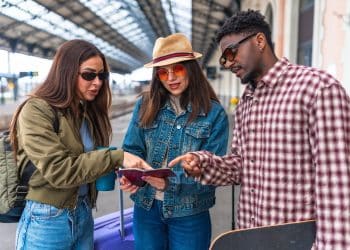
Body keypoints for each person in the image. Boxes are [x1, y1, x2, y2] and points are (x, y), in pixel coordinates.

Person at [169, 9, 350, 249]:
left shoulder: (317, 89)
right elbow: (240, 166)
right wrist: (203, 163)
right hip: (251, 236)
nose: (229, 63)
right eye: (223, 59)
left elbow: (336, 186)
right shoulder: (247, 102)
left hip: (297, 240)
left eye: (231, 52)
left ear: (260, 41)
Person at [12, 39, 151, 250]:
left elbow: (88, 159)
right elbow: (59, 170)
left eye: (102, 75)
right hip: (48, 219)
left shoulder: (84, 111)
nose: (98, 82)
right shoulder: (36, 110)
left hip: (83, 213)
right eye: (88, 75)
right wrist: (116, 157)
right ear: (66, 72)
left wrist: (122, 172)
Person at [119, 33, 229, 250]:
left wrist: (171, 182)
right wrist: (131, 176)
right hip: (146, 209)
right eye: (163, 72)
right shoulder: (145, 105)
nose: (171, 78)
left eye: (177, 69)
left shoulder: (214, 114)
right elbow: (131, 150)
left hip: (190, 213)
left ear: (191, 68)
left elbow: (215, 171)